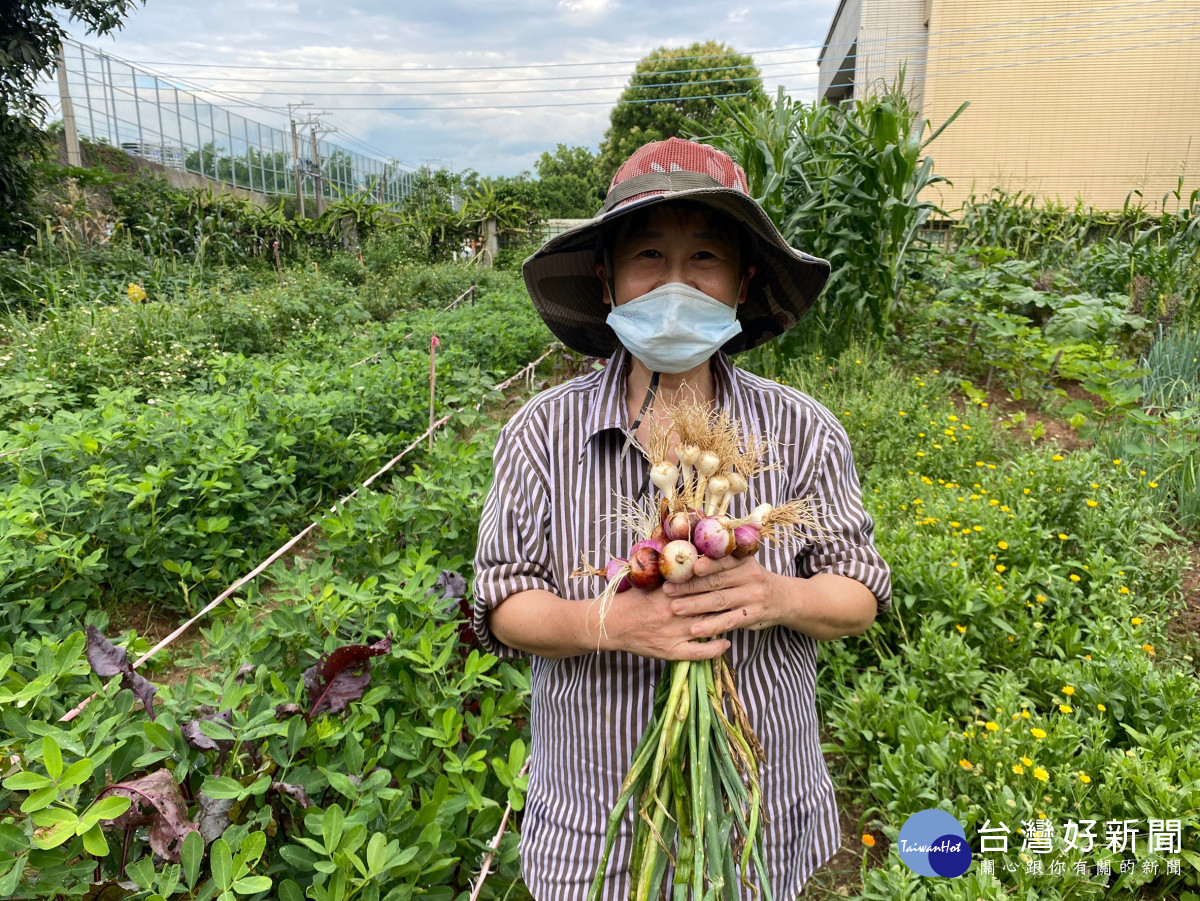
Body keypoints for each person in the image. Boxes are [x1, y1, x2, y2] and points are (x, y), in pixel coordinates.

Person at [472, 137, 891, 900]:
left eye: (703, 258)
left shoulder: (803, 430)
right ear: (606, 280)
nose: (675, 282)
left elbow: (858, 594)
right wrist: (613, 625)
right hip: (596, 823)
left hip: (758, 817)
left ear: (743, 280)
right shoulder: (540, 433)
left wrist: (779, 597)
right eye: (647, 257)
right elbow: (504, 604)